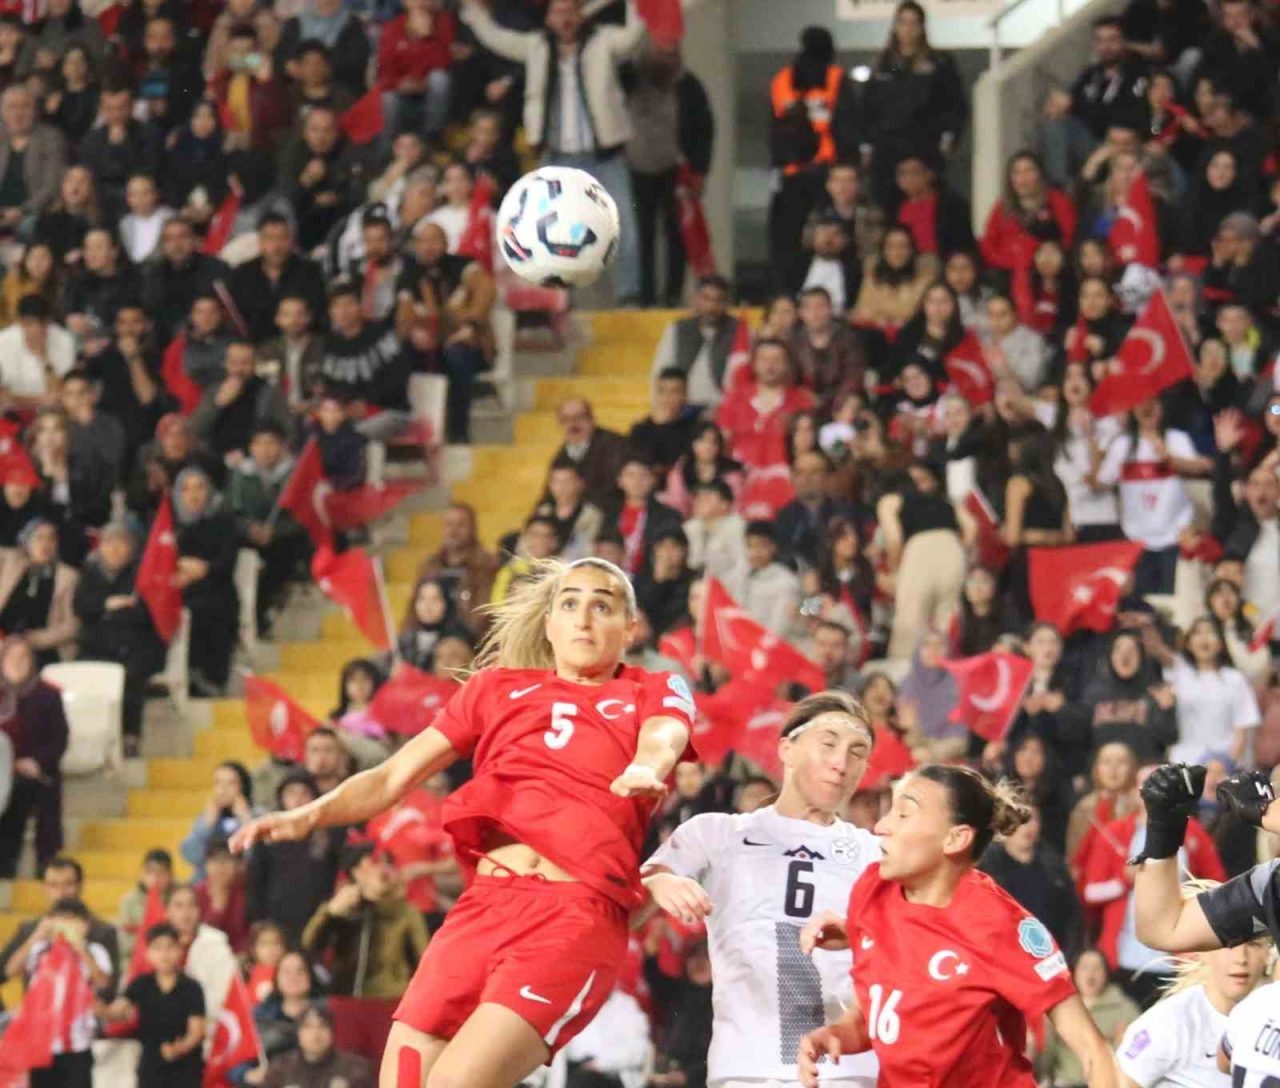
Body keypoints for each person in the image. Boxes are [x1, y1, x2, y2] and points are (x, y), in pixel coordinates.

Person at [231, 557, 696, 1088]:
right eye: (569, 604)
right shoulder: (495, 689)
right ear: (549, 623)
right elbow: (389, 777)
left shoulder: (651, 688)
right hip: (481, 909)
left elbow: (666, 735)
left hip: (572, 917)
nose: (584, 618)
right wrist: (308, 815)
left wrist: (646, 766)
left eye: (602, 605)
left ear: (629, 627)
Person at [796, 765, 1118, 1087]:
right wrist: (836, 1034)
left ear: (956, 838)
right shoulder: (871, 891)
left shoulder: (1000, 925)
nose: (882, 826)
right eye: (889, 811)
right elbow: (880, 1016)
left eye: (904, 814)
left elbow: (1093, 1051)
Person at [641, 691, 881, 1087]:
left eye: (858, 752)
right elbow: (633, 901)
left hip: (846, 1071)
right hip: (746, 1066)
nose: (841, 763)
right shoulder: (717, 833)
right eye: (828, 744)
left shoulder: (876, 852)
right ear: (787, 748)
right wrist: (658, 881)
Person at [459, 0, 647, 304]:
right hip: (556, 157)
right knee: (549, 232)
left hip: (604, 156)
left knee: (624, 224)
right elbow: (496, 39)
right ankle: (558, 300)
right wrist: (474, 11)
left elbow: (633, 37)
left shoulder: (603, 41)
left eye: (570, 10)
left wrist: (641, 5)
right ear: (548, 18)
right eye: (558, 12)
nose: (565, 18)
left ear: (580, 14)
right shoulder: (536, 48)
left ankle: (630, 295)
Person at [1116, 898, 1269, 1086]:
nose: (1241, 958)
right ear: (1204, 950)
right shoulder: (1170, 1023)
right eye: (1229, 945)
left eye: (1254, 945)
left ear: (1268, 954)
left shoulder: (1271, 1017)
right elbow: (1117, 1080)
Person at [300, 844, 430, 1060]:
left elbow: (424, 961)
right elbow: (310, 944)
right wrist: (329, 913)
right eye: (375, 863)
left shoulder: (405, 911)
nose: (385, 870)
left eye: (388, 864)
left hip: (389, 1002)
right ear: (356, 872)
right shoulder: (341, 907)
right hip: (344, 1002)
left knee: (386, 1070)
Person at [73, 521, 167, 757]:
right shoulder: (89, 572)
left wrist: (106, 610)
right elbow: (81, 606)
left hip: (136, 645)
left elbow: (145, 613)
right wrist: (109, 603)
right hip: (98, 644)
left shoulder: (142, 575)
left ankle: (130, 737)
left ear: (132, 547)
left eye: (121, 543)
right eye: (109, 543)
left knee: (130, 674)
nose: (114, 549)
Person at [100, 922, 206, 1088]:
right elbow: (116, 1011)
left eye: (170, 947)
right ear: (147, 953)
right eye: (157, 948)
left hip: (186, 1069)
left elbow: (197, 1032)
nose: (164, 954)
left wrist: (180, 1048)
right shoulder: (140, 984)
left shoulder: (191, 987)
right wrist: (94, 1004)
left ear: (180, 950)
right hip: (150, 1067)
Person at [0, 636, 68, 876]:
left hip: (37, 769)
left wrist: (36, 762)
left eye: (24, 658)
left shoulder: (47, 695)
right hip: (3, 771)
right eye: (11, 657)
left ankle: (47, 869)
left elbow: (59, 739)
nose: (17, 663)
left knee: (42, 795)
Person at [262, 1002, 375, 1088]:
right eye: (308, 1027)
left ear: (332, 1031)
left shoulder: (356, 1069)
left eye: (323, 1026)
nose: (316, 1034)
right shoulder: (279, 1070)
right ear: (298, 1033)